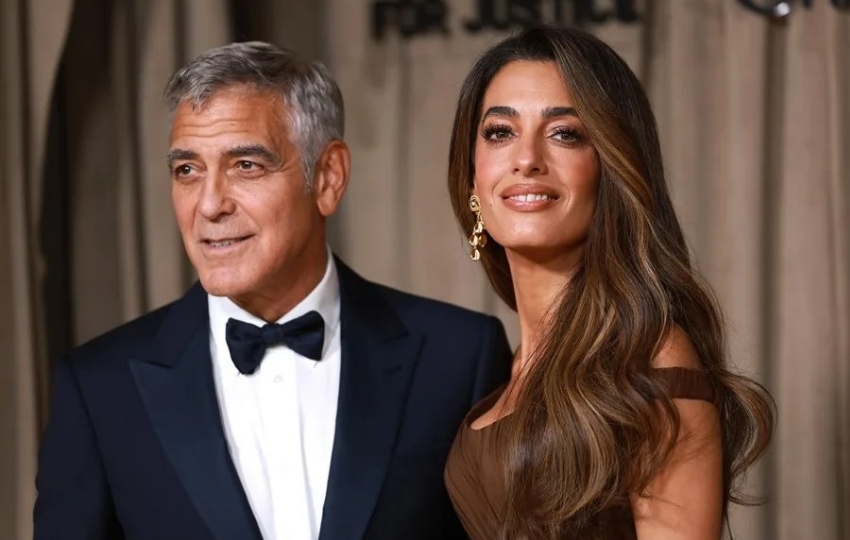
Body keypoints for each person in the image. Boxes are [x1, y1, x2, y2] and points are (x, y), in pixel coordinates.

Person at [33, 41, 512, 540]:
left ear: (328, 177)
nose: (210, 204)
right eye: (187, 170)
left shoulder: (459, 357)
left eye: (246, 165)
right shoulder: (99, 389)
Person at [443, 26, 775, 540]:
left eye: (565, 134)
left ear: (612, 168)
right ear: (472, 178)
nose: (526, 158)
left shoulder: (650, 357)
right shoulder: (507, 371)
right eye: (499, 132)